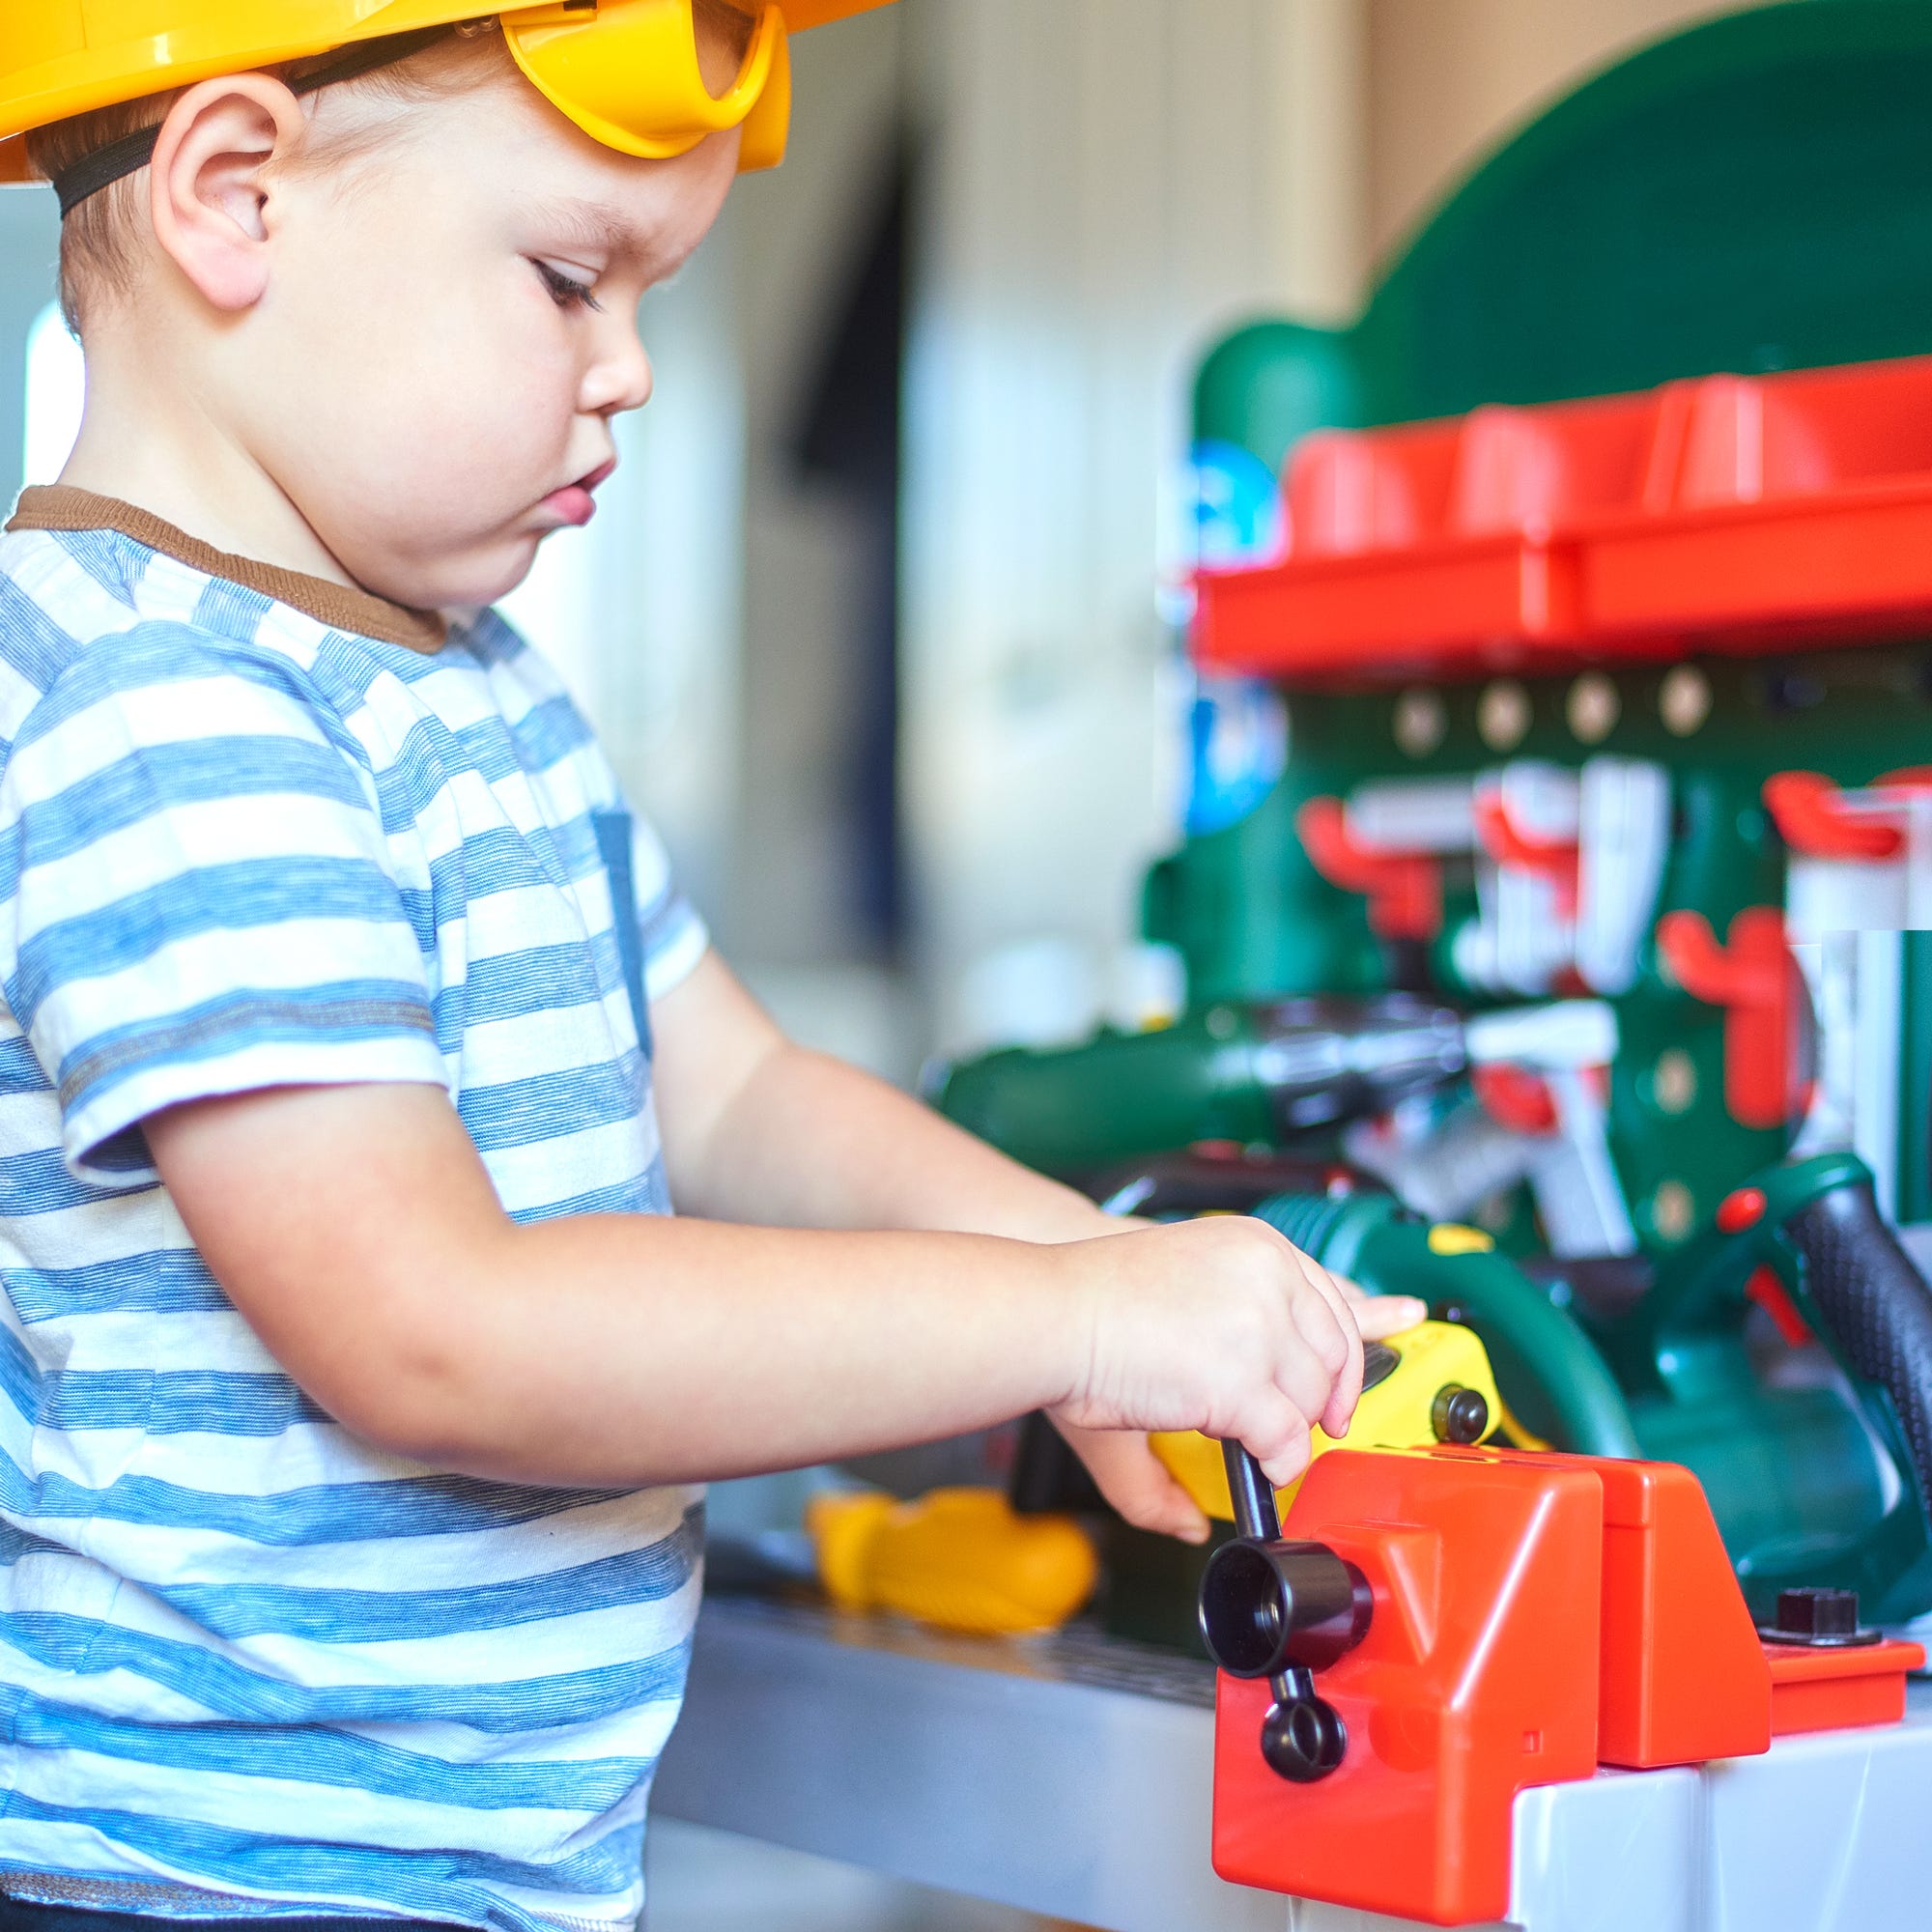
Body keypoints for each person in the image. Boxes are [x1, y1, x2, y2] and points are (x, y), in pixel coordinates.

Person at [0, 6, 1423, 1928]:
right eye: (570, 278)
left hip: (472, 1871)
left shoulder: (467, 686)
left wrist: (1101, 1276)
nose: (634, 372)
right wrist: (1073, 1330)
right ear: (233, 196)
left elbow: (739, 1091)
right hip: (205, 1879)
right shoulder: (163, 715)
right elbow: (436, 1332)